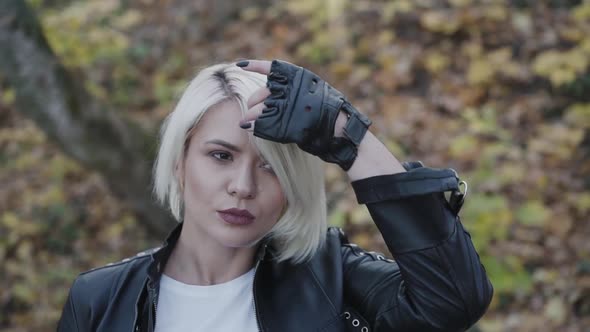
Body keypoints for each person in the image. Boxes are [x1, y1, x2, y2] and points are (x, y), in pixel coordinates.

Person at [57, 59, 493, 332]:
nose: (243, 186)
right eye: (221, 155)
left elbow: (452, 303)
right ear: (180, 161)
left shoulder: (332, 278)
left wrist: (348, 137)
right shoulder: (101, 299)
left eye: (271, 166)